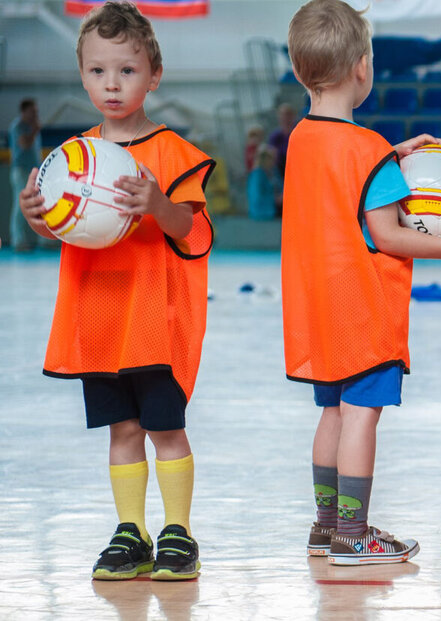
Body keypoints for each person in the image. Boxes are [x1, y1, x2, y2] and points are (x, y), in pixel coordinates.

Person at [280, 0, 441, 566]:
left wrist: (391, 158)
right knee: (361, 416)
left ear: (301, 71)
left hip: (314, 306)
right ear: (363, 68)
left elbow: (340, 184)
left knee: (331, 412)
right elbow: (387, 235)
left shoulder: (301, 138)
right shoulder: (367, 150)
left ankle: (326, 527)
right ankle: (354, 533)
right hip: (360, 308)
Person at [17, 1, 215, 580]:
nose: (112, 83)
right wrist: (39, 217)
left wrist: (157, 203)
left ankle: (179, 532)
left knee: (165, 428)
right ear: (82, 74)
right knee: (121, 430)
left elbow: (192, 231)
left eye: (126, 71)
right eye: (98, 71)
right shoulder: (70, 160)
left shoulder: (172, 153)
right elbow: (66, 229)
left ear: (153, 76)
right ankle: (131, 532)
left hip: (155, 316)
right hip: (101, 318)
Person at [9, 98, 41, 252]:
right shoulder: (18, 126)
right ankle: (18, 240)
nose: (35, 114)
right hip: (21, 171)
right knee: (20, 205)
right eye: (32, 111)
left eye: (36, 112)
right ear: (24, 111)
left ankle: (44, 239)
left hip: (33, 170)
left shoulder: (31, 127)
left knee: (40, 204)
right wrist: (34, 130)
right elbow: (24, 144)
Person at [246, 144, 281, 220]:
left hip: (276, 206)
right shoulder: (257, 174)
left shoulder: (273, 171)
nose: (274, 161)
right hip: (263, 210)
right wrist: (274, 199)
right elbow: (256, 196)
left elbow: (281, 186)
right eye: (271, 159)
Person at [267, 102, 298, 178]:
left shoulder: (299, 133)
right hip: (283, 174)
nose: (285, 118)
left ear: (293, 115)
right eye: (282, 115)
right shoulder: (275, 137)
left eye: (288, 114)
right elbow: (272, 159)